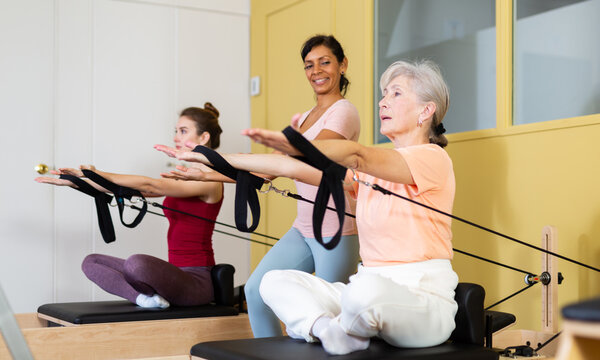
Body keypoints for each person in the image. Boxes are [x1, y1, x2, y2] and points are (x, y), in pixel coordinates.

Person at [240, 59, 457, 355]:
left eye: (395, 94)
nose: (383, 102)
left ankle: (338, 326)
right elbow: (286, 167)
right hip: (365, 287)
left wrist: (298, 144)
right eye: (383, 94)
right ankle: (329, 330)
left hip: (422, 300)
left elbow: (356, 155)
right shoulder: (370, 170)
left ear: (426, 110)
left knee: (365, 293)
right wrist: (209, 163)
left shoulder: (433, 158)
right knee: (274, 281)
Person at [158, 34, 362, 337]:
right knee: (256, 291)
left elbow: (309, 158)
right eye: (309, 65)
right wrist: (204, 172)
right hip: (303, 228)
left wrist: (208, 156)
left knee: (335, 316)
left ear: (342, 65)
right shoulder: (304, 118)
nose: (316, 70)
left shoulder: (343, 111)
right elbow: (265, 172)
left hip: (335, 227)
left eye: (325, 62)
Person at [35, 103, 224, 308]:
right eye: (176, 131)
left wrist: (97, 174)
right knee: (92, 262)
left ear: (204, 137)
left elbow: (151, 184)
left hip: (195, 281)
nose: (176, 137)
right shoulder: (184, 179)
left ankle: (150, 295)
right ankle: (145, 299)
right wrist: (76, 182)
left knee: (137, 264)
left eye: (183, 131)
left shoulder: (210, 181)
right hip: (174, 275)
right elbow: (134, 191)